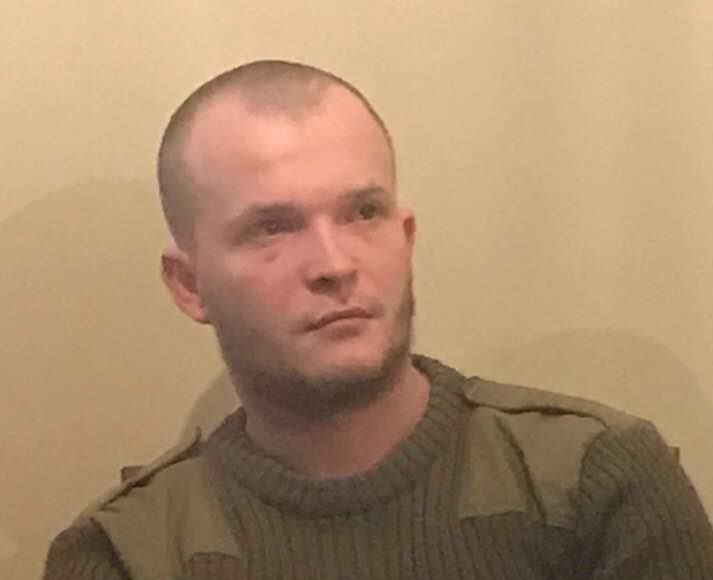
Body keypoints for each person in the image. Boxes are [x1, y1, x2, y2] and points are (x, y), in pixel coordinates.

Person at [43, 60, 713, 580]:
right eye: (272, 227)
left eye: (363, 213)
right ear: (189, 285)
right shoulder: (130, 555)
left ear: (405, 237)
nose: (334, 264)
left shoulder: (594, 480)